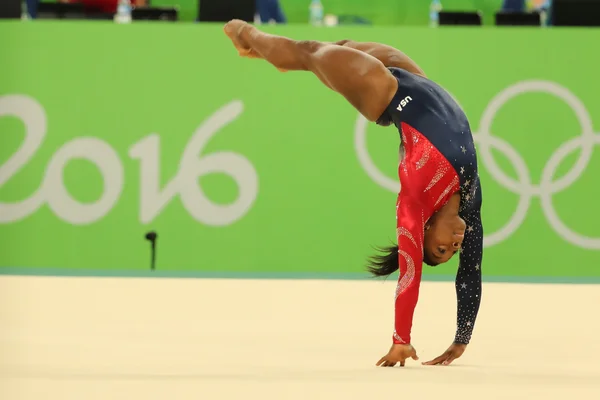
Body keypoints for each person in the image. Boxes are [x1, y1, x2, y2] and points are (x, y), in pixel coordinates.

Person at [223, 19, 483, 368]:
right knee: (343, 44)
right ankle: (285, 53)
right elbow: (471, 271)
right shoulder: (470, 198)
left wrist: (401, 339)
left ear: (424, 228)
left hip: (386, 93)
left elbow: (409, 275)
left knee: (309, 52)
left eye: (441, 248)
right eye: (453, 249)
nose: (454, 242)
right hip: (419, 82)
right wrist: (462, 338)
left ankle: (246, 34)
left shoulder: (414, 202)